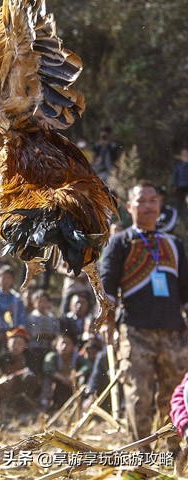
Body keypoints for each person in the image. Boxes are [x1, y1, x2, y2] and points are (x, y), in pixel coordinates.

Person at [99, 181, 188, 455]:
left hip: (174, 332)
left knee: (173, 394)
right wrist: (107, 321)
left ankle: (173, 453)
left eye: (153, 200)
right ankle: (142, 457)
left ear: (160, 204)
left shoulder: (174, 244)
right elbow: (107, 287)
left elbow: (185, 292)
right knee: (138, 395)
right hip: (135, 331)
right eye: (141, 201)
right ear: (129, 207)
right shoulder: (120, 242)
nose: (148, 206)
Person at [0, 326, 39, 414]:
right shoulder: (2, 357)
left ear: (25, 345)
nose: (16, 346)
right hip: (6, 387)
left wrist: (17, 375)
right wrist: (2, 377)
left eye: (20, 344)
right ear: (8, 343)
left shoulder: (29, 357)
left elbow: (35, 373)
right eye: (14, 343)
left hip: (22, 388)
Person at [40, 332, 91, 412]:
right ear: (56, 345)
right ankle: (45, 404)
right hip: (58, 384)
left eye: (67, 344)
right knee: (47, 379)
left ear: (73, 346)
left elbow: (88, 366)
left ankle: (81, 405)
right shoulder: (53, 356)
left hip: (73, 385)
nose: (64, 346)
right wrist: (63, 378)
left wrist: (76, 375)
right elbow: (47, 368)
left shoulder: (77, 357)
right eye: (62, 343)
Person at [0, 265, 27, 357]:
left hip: (13, 334)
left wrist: (16, 332)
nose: (5, 280)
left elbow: (21, 317)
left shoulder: (16, 297)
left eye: (9, 278)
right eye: (3, 277)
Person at [26, 290, 60, 377]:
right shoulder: (30, 318)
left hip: (48, 348)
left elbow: (56, 333)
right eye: (39, 301)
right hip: (34, 349)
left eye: (45, 301)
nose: (42, 304)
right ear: (34, 303)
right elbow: (31, 334)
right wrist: (44, 335)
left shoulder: (52, 318)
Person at [171, 147, 188, 222]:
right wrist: (173, 185)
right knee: (180, 203)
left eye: (186, 153)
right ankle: (181, 218)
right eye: (183, 154)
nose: (185, 155)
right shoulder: (178, 165)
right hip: (180, 187)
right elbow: (175, 176)